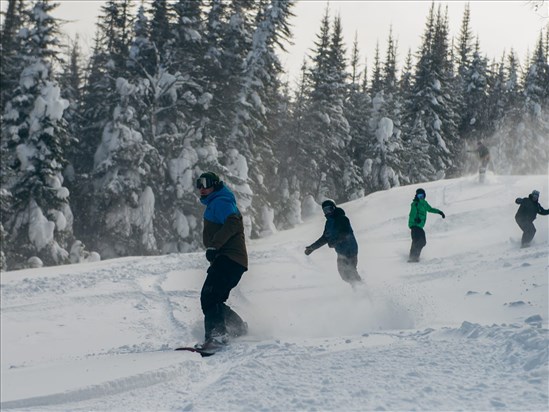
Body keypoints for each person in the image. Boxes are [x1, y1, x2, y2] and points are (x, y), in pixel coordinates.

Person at [196, 171, 248, 349]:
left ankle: (217, 336)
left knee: (209, 297)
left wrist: (214, 246)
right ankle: (239, 328)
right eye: (199, 184)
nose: (202, 188)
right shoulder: (215, 203)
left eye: (206, 184)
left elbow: (233, 222)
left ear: (215, 185)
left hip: (229, 259)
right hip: (229, 260)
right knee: (214, 299)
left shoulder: (221, 201)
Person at [304, 199, 362, 288]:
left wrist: (335, 241)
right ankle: (358, 288)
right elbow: (324, 238)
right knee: (344, 275)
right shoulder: (328, 223)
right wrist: (312, 248)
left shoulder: (342, 218)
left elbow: (345, 233)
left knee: (351, 272)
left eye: (329, 209)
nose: (327, 212)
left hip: (350, 250)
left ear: (333, 208)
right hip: (341, 252)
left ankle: (362, 289)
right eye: (325, 210)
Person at [407, 188, 445, 262]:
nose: (420, 197)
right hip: (415, 226)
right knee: (418, 241)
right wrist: (414, 221)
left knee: (422, 242)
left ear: (424, 195)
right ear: (416, 196)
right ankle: (413, 257)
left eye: (422, 195)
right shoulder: (415, 204)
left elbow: (430, 209)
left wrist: (440, 212)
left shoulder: (424, 203)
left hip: (420, 226)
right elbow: (411, 214)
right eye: (419, 195)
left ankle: (414, 257)